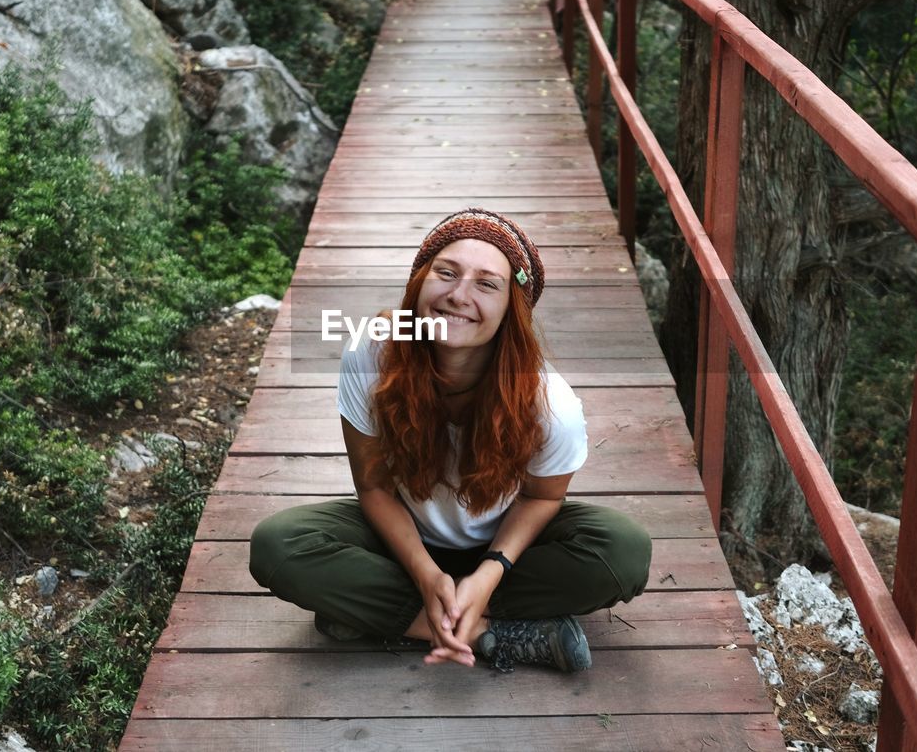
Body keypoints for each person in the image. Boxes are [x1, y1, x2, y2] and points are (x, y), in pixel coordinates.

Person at [249, 208, 652, 672]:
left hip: (505, 550)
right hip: (402, 537)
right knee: (279, 545)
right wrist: (424, 573)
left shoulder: (550, 403)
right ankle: (491, 634)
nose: (458, 296)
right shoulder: (372, 350)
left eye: (487, 284)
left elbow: (542, 498)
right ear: (419, 281)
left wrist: (488, 573)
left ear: (510, 311)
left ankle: (384, 614)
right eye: (446, 273)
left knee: (622, 551)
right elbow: (375, 486)